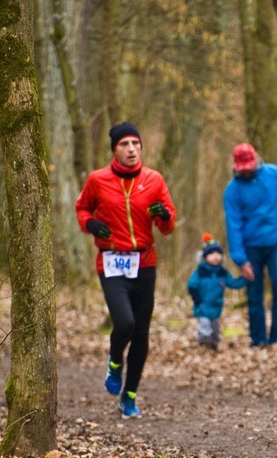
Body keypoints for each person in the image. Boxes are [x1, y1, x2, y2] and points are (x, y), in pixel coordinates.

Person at [75, 122, 176, 420]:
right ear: (114, 150)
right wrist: (91, 224)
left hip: (144, 263)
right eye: (124, 144)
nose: (131, 149)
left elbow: (168, 226)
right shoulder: (98, 180)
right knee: (125, 323)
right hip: (111, 263)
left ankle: (129, 396)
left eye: (135, 143)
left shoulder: (154, 180)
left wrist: (165, 216)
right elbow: (82, 209)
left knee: (142, 334)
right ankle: (115, 361)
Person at [223, 143, 277, 348]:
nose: (247, 170)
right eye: (243, 167)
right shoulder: (233, 190)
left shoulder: (275, 174)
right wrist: (240, 260)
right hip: (251, 248)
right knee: (254, 293)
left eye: (249, 165)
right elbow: (233, 225)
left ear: (256, 160)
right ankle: (257, 339)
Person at [186, 233, 247, 350]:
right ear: (205, 257)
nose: (216, 256)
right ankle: (204, 345)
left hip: (216, 307)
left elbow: (233, 283)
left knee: (215, 327)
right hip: (203, 306)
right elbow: (191, 285)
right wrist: (197, 300)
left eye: (218, 253)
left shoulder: (222, 273)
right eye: (212, 254)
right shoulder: (200, 272)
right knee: (204, 326)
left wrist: (245, 279)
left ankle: (214, 344)